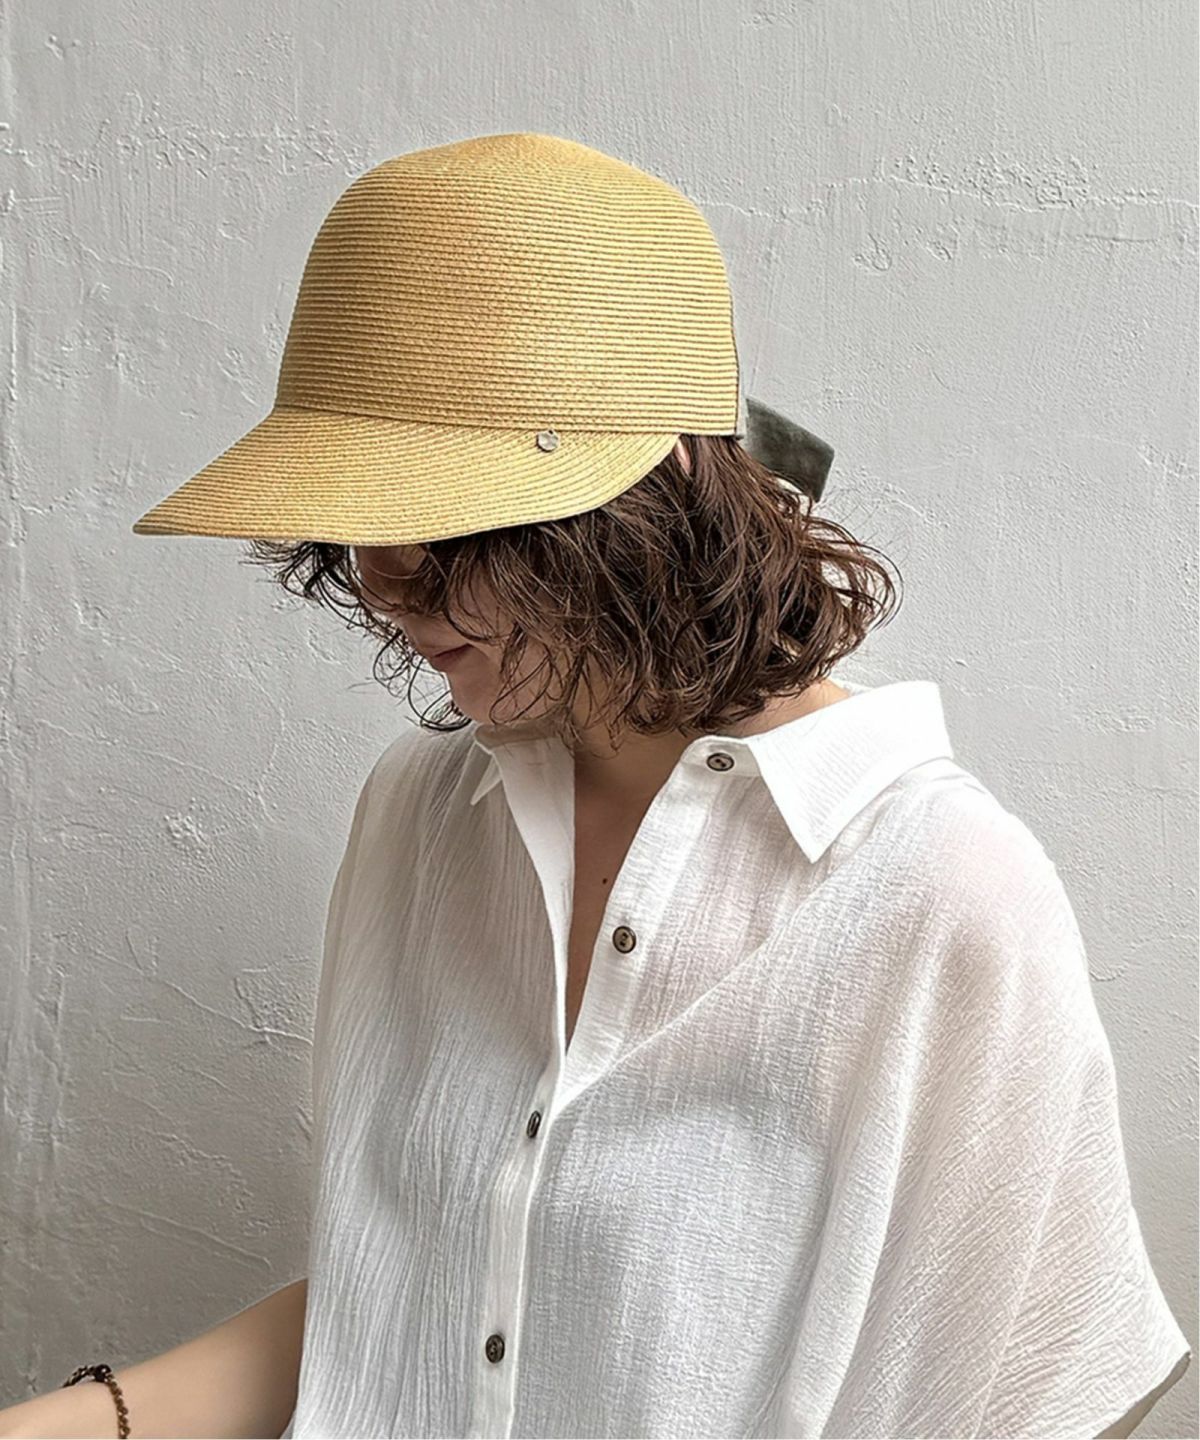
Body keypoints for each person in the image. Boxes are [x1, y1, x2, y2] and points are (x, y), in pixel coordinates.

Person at [5, 132, 1188, 1439]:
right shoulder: (424, 815)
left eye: (447, 524)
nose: (386, 583)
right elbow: (413, 1307)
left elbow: (1034, 1392)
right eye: (360, 521)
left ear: (651, 504)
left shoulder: (932, 889)